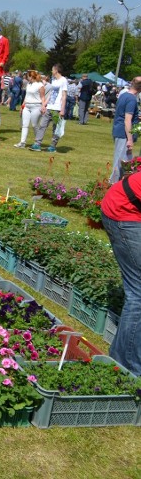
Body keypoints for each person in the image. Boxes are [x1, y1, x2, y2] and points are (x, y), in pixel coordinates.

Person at [100, 160, 141, 376]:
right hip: (123, 215)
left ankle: (121, 355)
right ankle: (131, 367)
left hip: (126, 207)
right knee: (139, 293)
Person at [31, 64, 68, 153]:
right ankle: (37, 144)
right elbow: (51, 94)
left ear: (56, 70)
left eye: (52, 70)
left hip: (57, 108)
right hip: (50, 107)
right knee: (42, 125)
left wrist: (62, 109)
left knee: (56, 128)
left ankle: (53, 146)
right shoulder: (54, 81)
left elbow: (64, 95)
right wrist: (44, 104)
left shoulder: (63, 80)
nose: (51, 71)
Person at [109, 77, 140, 184]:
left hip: (118, 130)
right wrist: (130, 139)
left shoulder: (124, 95)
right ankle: (112, 184)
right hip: (124, 134)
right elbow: (127, 120)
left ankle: (119, 184)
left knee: (126, 162)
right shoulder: (131, 99)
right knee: (120, 162)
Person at [15, 70, 46, 148]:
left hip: (36, 106)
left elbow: (42, 97)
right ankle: (22, 142)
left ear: (31, 76)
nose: (26, 77)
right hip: (27, 106)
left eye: (27, 76)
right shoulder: (28, 84)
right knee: (24, 125)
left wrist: (43, 106)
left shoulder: (40, 85)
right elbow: (26, 96)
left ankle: (37, 142)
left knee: (34, 125)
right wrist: (23, 106)